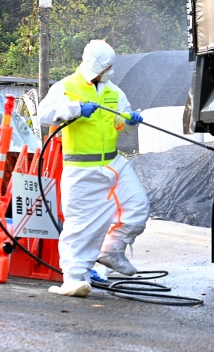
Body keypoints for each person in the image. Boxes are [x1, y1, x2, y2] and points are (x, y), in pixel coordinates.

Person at [39, 40, 150, 297]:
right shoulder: (65, 87)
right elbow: (44, 114)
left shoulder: (114, 92)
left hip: (113, 163)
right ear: (96, 66)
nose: (111, 70)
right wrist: (75, 109)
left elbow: (121, 122)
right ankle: (74, 278)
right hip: (81, 169)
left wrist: (131, 120)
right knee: (80, 226)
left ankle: (111, 250)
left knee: (137, 207)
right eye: (108, 66)